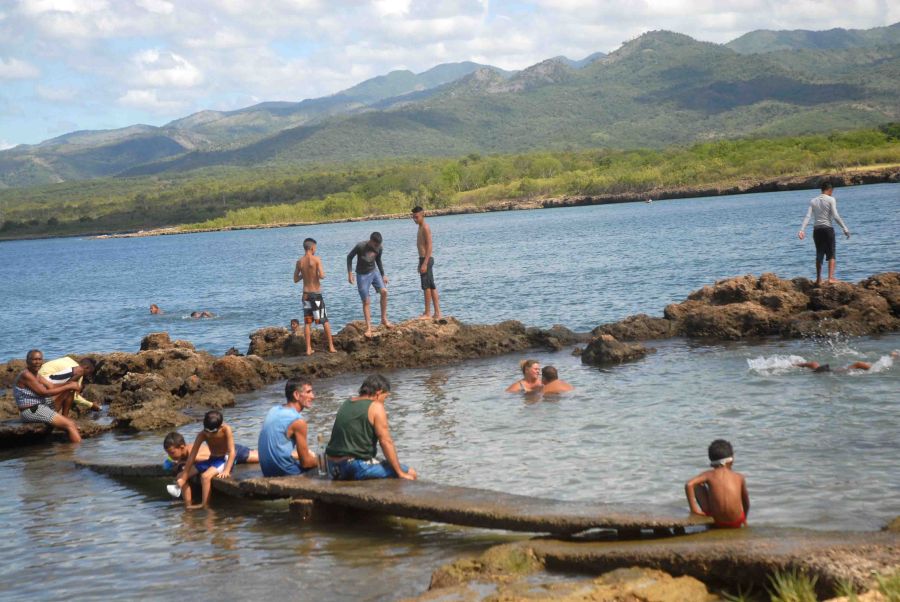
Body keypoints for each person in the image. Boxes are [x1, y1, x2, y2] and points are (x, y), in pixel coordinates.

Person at [325, 374, 417, 481]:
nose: (384, 402)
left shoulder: (347, 403)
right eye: (385, 397)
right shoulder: (376, 406)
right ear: (378, 393)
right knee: (411, 473)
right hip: (354, 467)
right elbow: (386, 441)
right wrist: (400, 473)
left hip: (332, 466)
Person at [12, 349, 83, 443]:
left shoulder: (36, 375)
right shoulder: (26, 375)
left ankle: (64, 418)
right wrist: (69, 385)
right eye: (34, 359)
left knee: (68, 390)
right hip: (31, 410)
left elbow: (52, 386)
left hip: (42, 404)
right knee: (70, 425)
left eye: (39, 359)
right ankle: (77, 454)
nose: (37, 362)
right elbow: (44, 393)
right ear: (27, 361)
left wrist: (70, 384)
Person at [258, 377, 318, 477]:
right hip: (286, 472)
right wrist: (325, 460)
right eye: (308, 392)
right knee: (327, 467)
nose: (313, 396)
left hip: (267, 471)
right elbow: (306, 463)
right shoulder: (298, 421)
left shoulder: (273, 410)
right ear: (296, 395)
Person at [178, 410, 238, 508]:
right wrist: (184, 477)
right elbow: (192, 455)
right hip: (211, 459)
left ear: (220, 426)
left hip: (224, 460)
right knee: (180, 475)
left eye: (213, 432)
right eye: (207, 431)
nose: (209, 435)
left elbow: (232, 452)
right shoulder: (202, 434)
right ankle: (188, 504)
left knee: (205, 477)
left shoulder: (226, 429)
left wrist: (227, 470)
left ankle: (204, 504)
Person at [685, 439, 749, 529]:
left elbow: (689, 484)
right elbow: (746, 503)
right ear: (731, 461)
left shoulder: (709, 474)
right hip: (737, 521)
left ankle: (707, 518)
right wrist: (744, 519)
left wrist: (694, 510)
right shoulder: (739, 477)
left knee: (697, 485)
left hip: (717, 522)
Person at [798, 181, 851, 285]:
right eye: (832, 191)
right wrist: (844, 228)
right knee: (831, 253)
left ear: (821, 190)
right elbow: (835, 216)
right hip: (827, 229)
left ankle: (818, 279)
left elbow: (808, 216)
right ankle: (831, 278)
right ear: (830, 190)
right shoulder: (831, 199)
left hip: (817, 230)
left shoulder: (813, 201)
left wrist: (802, 230)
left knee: (819, 253)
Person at [294, 237, 337, 355]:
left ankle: (308, 349)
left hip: (306, 295)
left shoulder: (299, 262)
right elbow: (322, 275)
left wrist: (304, 274)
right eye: (315, 248)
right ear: (312, 247)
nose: (315, 250)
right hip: (316, 295)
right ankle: (331, 347)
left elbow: (295, 279)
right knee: (324, 321)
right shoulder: (316, 259)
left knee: (308, 322)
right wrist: (319, 274)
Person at [347, 232, 391, 337]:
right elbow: (349, 257)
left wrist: (383, 275)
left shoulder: (380, 247)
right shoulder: (360, 246)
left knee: (384, 292)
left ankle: (384, 319)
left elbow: (378, 260)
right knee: (366, 301)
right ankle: (369, 328)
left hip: (374, 272)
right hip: (361, 275)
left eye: (379, 245)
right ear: (371, 241)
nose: (377, 247)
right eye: (376, 245)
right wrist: (350, 274)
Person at [412, 206, 442, 320]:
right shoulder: (419, 227)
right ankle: (437, 313)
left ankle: (428, 313)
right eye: (413, 217)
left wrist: (424, 263)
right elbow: (421, 247)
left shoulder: (425, 227)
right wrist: (420, 263)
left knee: (426, 287)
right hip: (423, 259)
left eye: (416, 217)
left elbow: (429, 246)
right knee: (432, 286)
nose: (415, 219)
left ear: (422, 215)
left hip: (427, 259)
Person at [795, 351, 898, 373]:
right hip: (834, 372)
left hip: (830, 371)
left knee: (813, 363)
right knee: (858, 364)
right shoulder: (819, 370)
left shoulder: (817, 370)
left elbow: (812, 364)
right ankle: (892, 357)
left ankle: (792, 364)